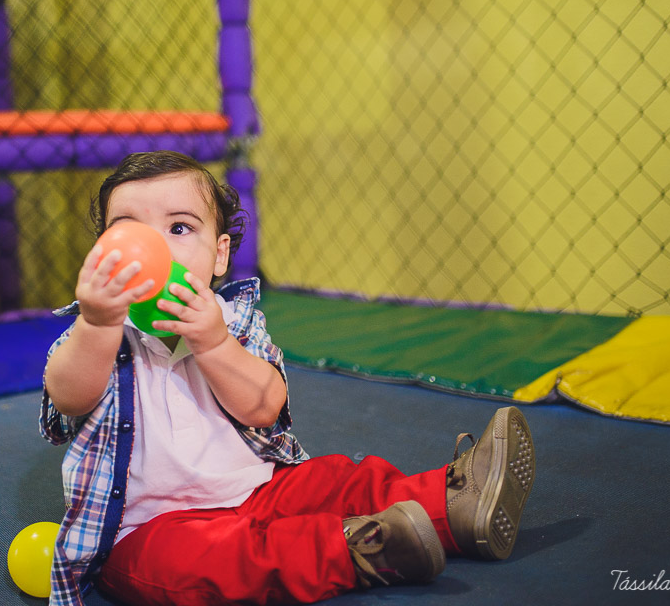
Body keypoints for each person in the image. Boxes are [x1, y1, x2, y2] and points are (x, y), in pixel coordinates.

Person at [40, 151, 535, 606]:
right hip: (151, 528)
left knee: (338, 477)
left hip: (260, 489)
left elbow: (264, 406)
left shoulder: (235, 322)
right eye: (129, 230)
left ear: (219, 254)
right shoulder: (97, 331)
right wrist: (98, 323)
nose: (153, 248)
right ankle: (361, 551)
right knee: (202, 564)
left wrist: (214, 344)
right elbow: (69, 396)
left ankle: (453, 507)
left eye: (180, 228)